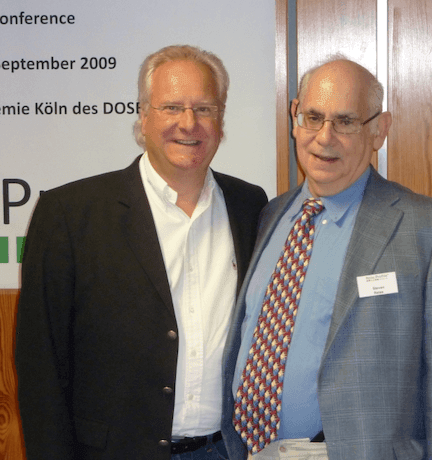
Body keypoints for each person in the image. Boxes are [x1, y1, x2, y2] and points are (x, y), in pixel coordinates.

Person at [221, 58, 432, 459]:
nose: (324, 138)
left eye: (345, 122)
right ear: (295, 117)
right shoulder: (271, 216)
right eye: (313, 117)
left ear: (379, 131)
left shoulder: (431, 230)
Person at [15, 45, 268, 460]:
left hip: (227, 450)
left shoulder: (250, 205)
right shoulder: (71, 213)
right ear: (144, 115)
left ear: (221, 119)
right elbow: (41, 367)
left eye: (205, 108)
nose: (189, 123)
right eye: (172, 107)